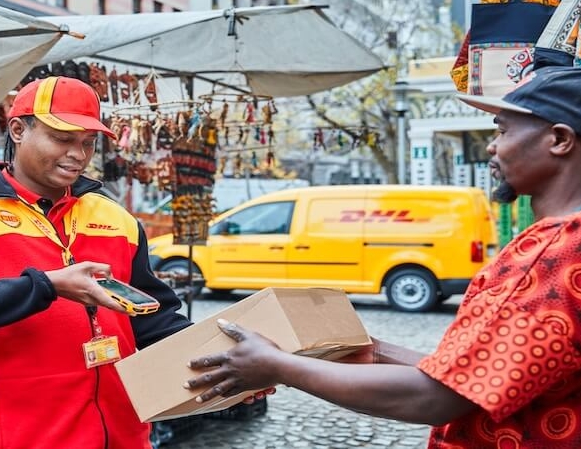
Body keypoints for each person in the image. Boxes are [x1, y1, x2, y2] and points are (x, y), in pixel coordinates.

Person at [185, 65, 581, 448]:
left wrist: (278, 366)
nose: (493, 146)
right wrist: (376, 352)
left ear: (560, 140)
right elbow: (481, 372)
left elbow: (437, 397)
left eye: (503, 130)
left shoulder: (554, 253)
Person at [0, 76, 192, 449]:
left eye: (88, 143)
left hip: (122, 437)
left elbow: (154, 317)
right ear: (18, 130)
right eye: (62, 139)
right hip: (10, 437)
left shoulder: (118, 220)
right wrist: (46, 286)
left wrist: (225, 362)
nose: (78, 155)